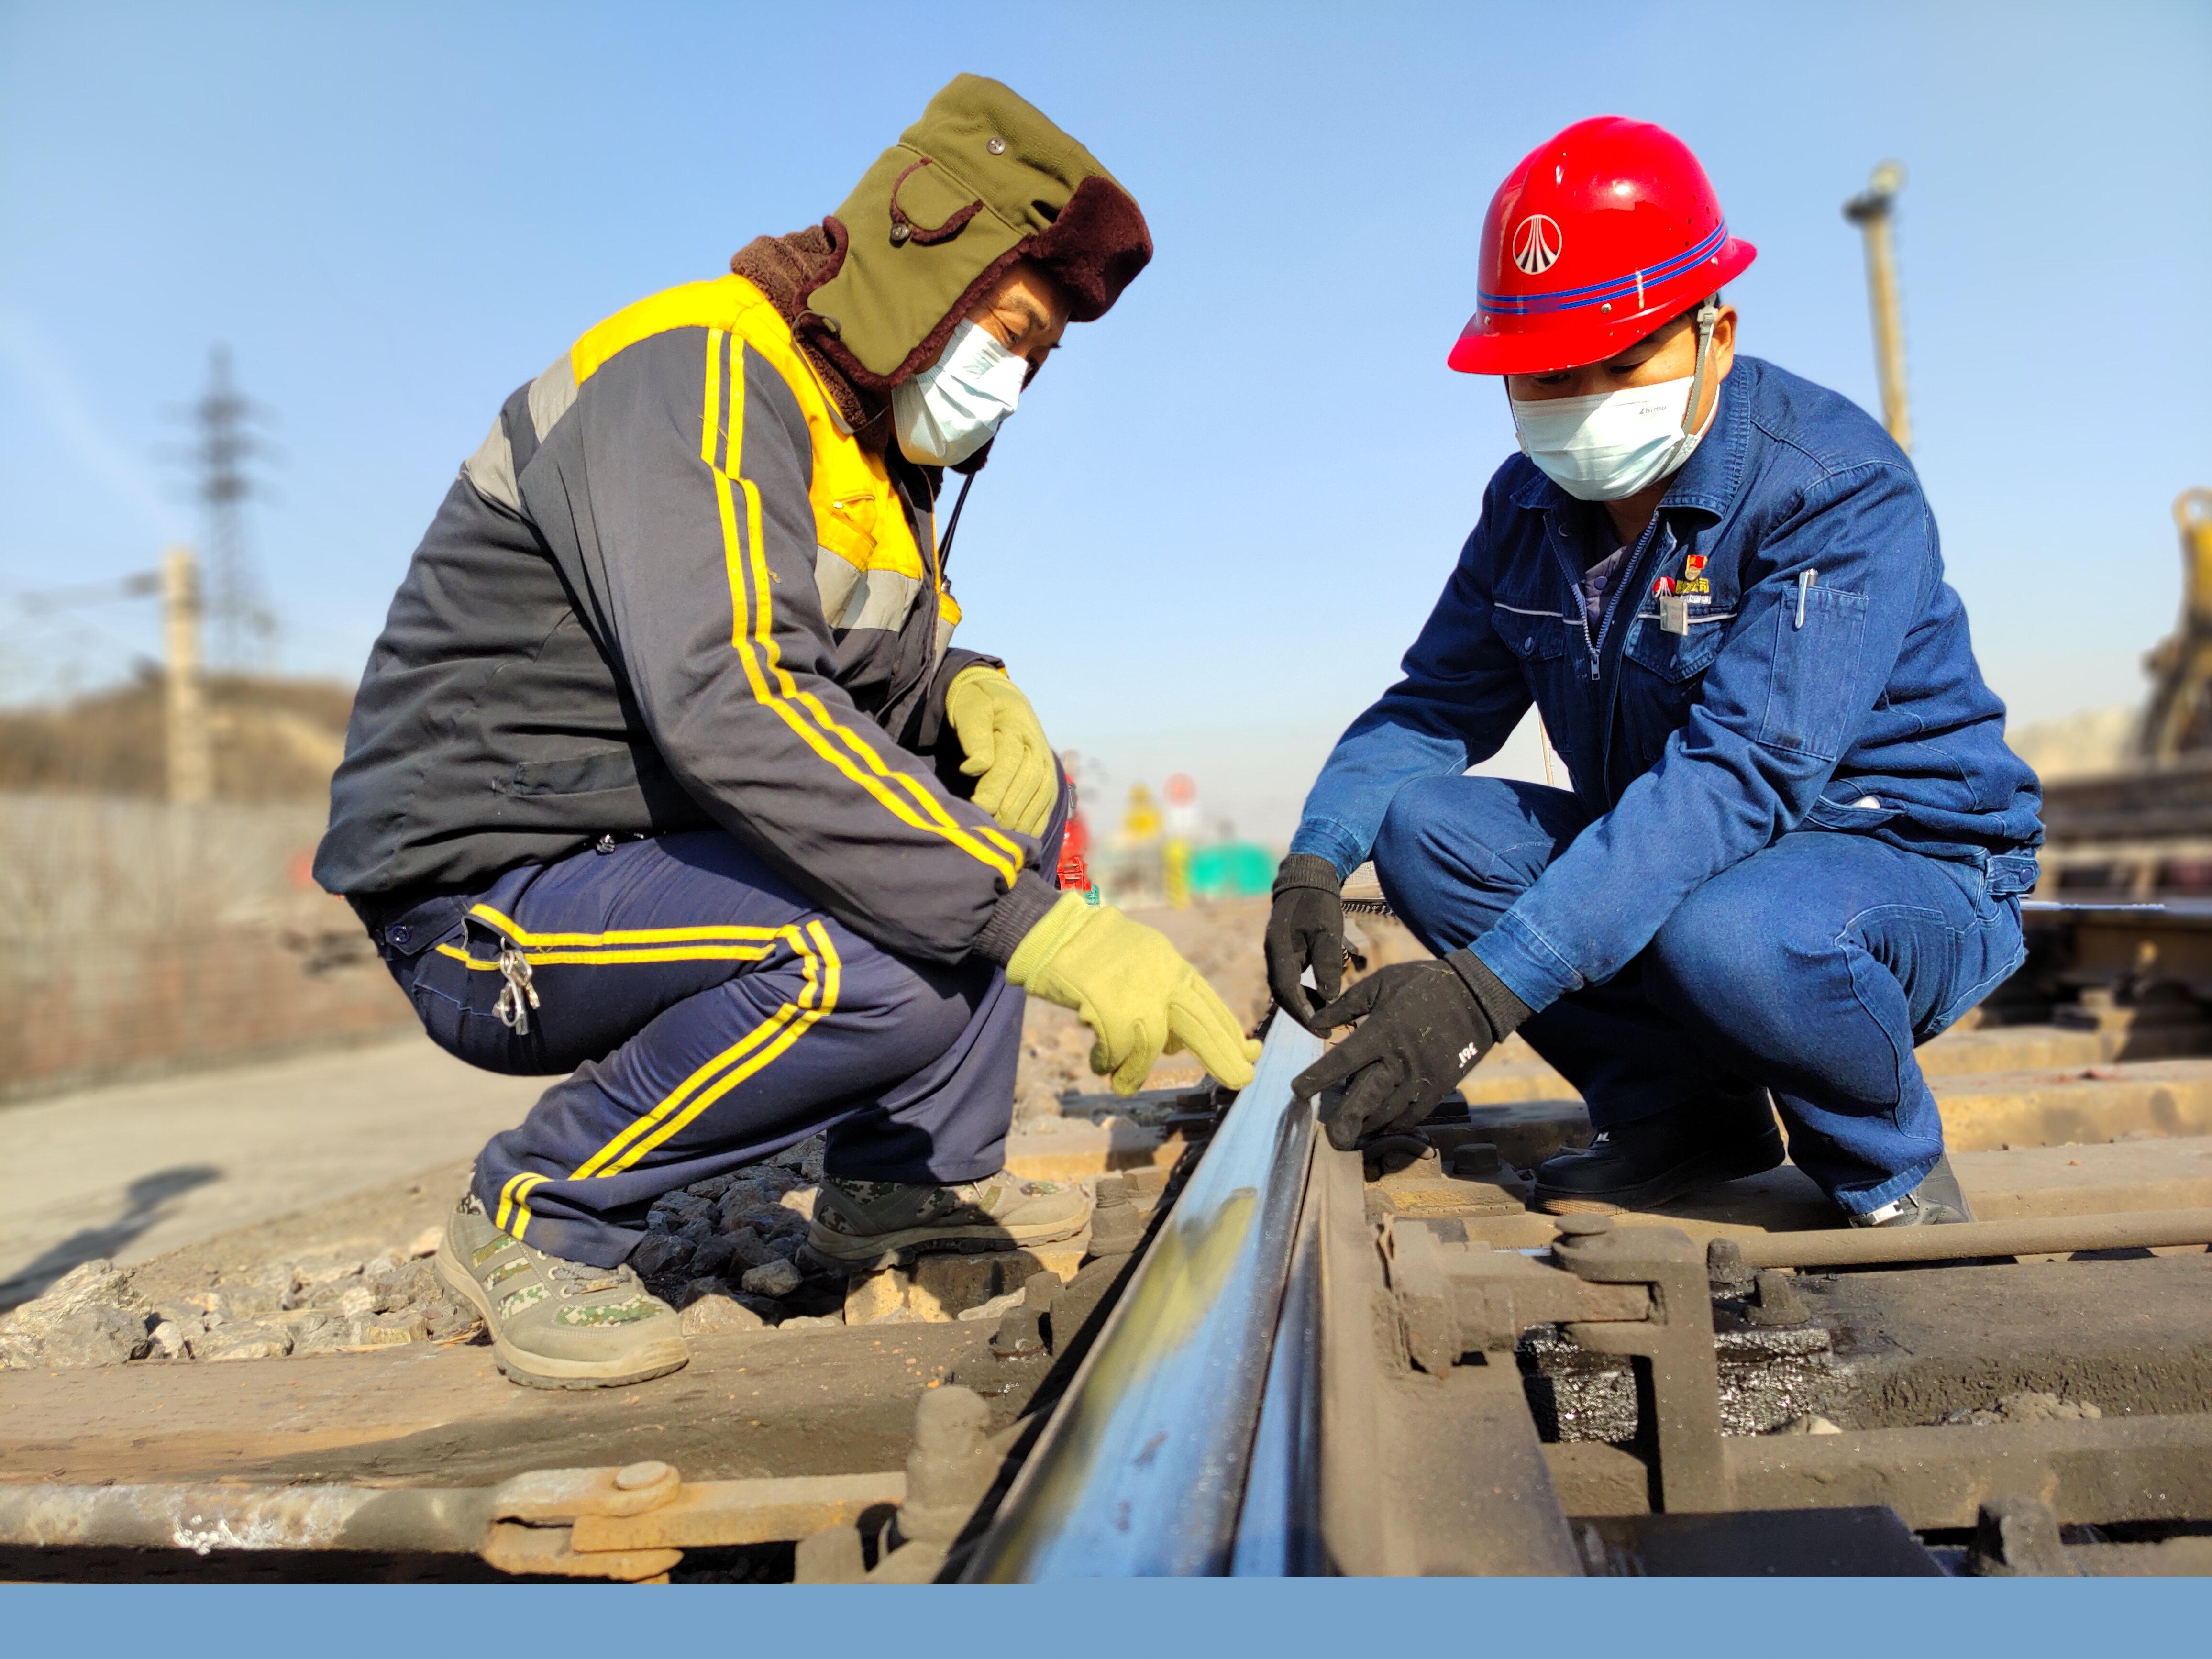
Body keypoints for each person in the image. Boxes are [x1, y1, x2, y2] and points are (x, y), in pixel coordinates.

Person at [315, 75, 1258, 1390]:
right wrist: (1041, 921)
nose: (1014, 381)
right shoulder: (701, 367)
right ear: (922, 258)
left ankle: (893, 1184)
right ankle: (539, 1207)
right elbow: (735, 694)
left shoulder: (867, 459)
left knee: (1005, 795)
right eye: (1009, 328)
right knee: (868, 967)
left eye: (1036, 358)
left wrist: (971, 687)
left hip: (638, 852)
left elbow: (867, 684)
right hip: (486, 889)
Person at [1266, 116, 2039, 1229]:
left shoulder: (1832, 489)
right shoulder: (1524, 508)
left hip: (1900, 863)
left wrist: (1483, 994)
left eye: (1619, 362)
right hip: (1693, 852)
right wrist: (1311, 859)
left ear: (1714, 334)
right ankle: (1684, 1121)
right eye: (1542, 375)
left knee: (1730, 934)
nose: (1580, 401)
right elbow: (1434, 705)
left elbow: (1736, 779)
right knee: (1424, 831)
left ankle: (1887, 1171)